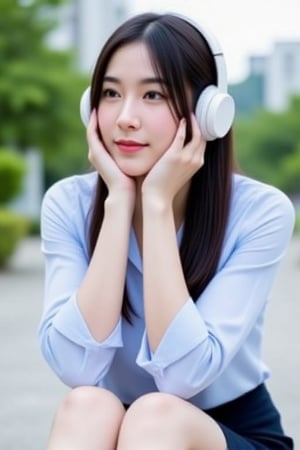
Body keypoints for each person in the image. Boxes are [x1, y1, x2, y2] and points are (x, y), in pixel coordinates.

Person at [38, 11, 295, 450]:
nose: (125, 118)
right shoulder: (68, 203)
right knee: (86, 405)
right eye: (111, 93)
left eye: (153, 94)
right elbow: (77, 368)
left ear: (208, 113)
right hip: (115, 427)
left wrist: (155, 206)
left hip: (227, 432)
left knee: (156, 416)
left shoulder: (260, 212)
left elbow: (182, 376)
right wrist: (119, 203)